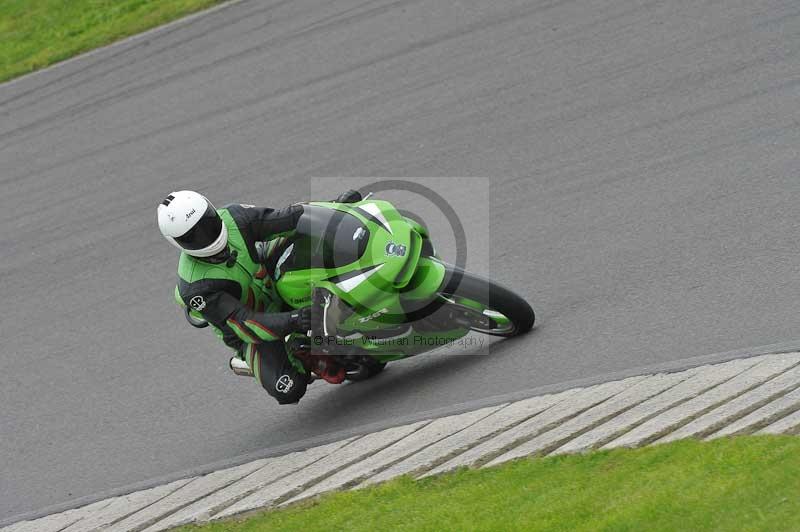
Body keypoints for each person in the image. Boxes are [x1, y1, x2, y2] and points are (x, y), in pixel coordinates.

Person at [157, 189, 359, 405]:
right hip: (251, 330)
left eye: (207, 222)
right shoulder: (196, 288)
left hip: (269, 275)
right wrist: (295, 320)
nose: (206, 235)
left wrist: (336, 207)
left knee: (309, 237)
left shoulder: (236, 218)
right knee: (288, 388)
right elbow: (245, 321)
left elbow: (289, 217)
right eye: (193, 236)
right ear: (177, 243)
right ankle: (303, 354)